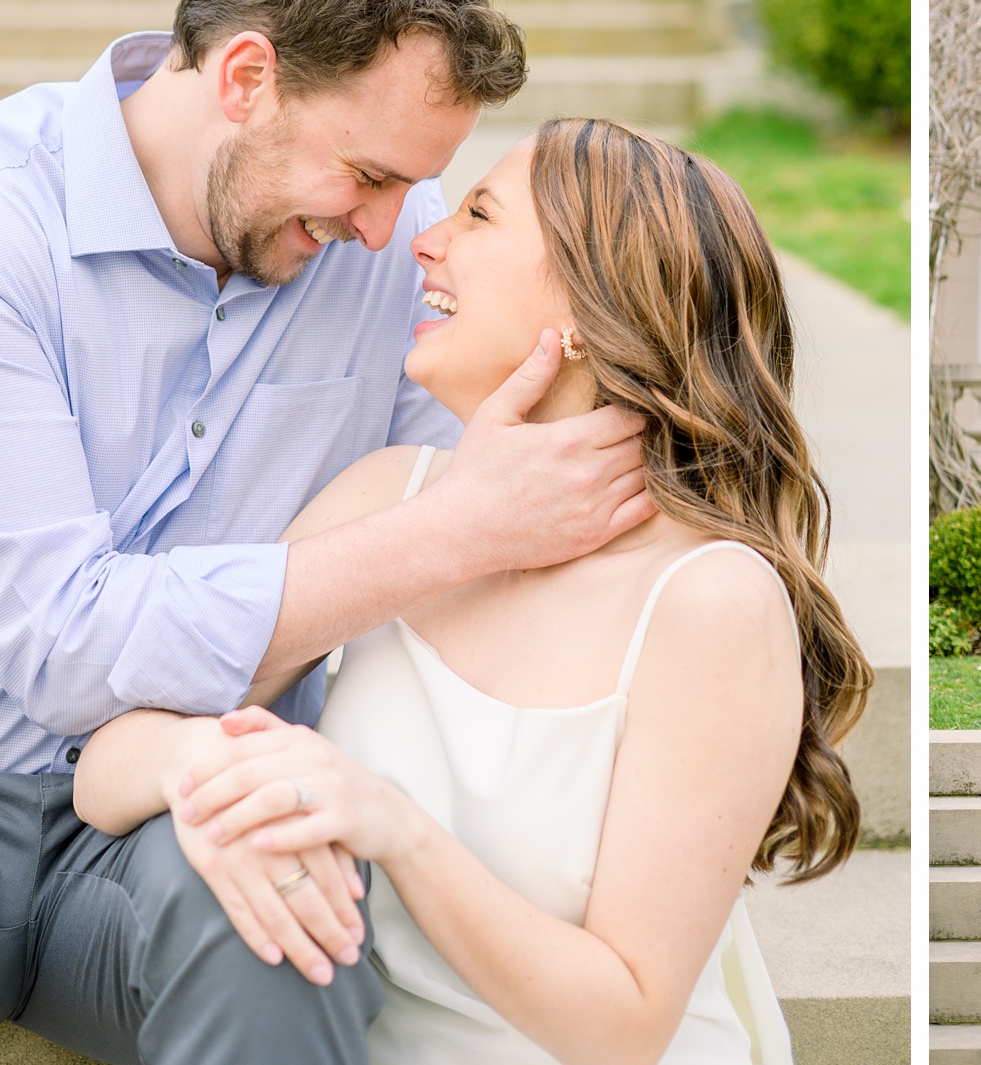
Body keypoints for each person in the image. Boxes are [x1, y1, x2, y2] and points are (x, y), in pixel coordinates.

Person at [0, 0, 655, 1062]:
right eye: (368, 176)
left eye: (416, 190)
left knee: (292, 924)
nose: (390, 232)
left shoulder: (387, 247)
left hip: (194, 792)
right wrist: (452, 532)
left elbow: (513, 455)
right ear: (246, 77)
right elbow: (69, 642)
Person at [73, 117, 870, 1062]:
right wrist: (203, 767)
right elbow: (106, 761)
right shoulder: (391, 499)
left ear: (585, 307)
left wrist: (394, 830)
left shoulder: (709, 601)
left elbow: (627, 1023)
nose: (424, 237)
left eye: (481, 215)